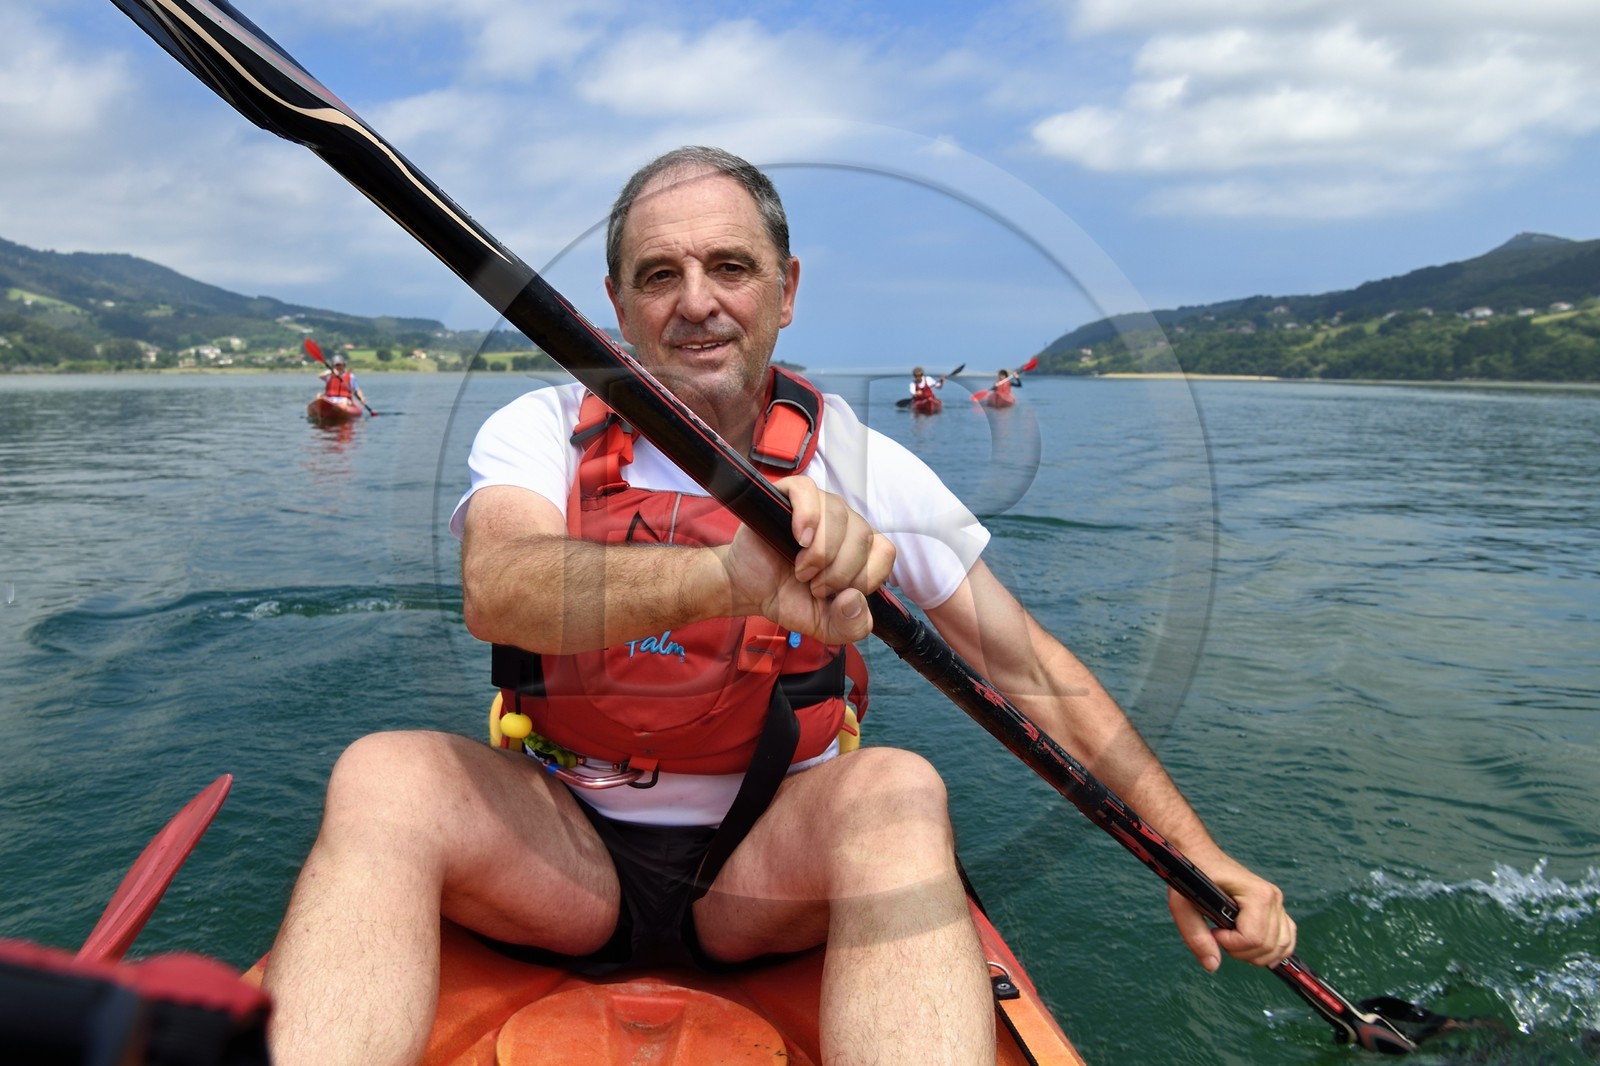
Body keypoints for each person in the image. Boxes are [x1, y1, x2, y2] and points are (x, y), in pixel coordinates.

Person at [260, 146, 1296, 1065]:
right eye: (659, 274)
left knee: (899, 790)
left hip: (764, 870)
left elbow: (1028, 670)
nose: (695, 301)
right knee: (385, 773)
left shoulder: (859, 461)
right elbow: (503, 589)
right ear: (615, 304)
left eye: (730, 267)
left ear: (786, 290)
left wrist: (1193, 854)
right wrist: (738, 575)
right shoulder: (537, 428)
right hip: (561, 851)